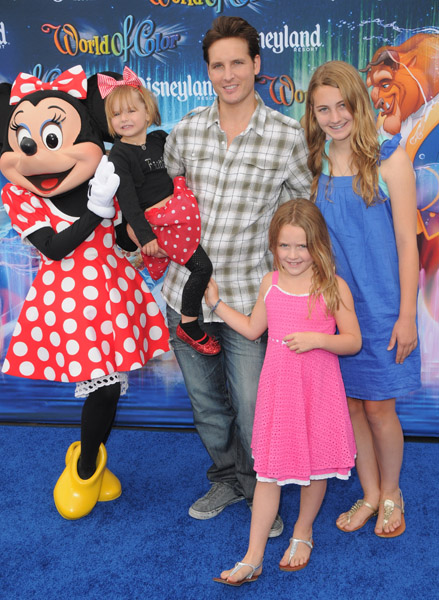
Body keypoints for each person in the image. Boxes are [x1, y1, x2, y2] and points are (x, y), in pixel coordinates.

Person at [162, 16, 312, 533]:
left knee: (252, 407)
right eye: (217, 65)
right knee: (206, 404)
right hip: (186, 297)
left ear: (256, 65)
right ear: (208, 71)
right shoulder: (183, 132)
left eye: (237, 63)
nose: (228, 74)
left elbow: (301, 215)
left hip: (251, 301)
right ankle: (225, 477)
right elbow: (165, 208)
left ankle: (258, 490)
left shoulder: (287, 137)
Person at [0, 66, 169, 520]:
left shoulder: (109, 171)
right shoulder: (23, 197)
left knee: (110, 386)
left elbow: (123, 239)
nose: (39, 157)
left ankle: (88, 460)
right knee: (104, 386)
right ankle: (87, 464)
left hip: (113, 288)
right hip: (69, 297)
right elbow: (53, 249)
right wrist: (96, 209)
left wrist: (152, 224)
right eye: (27, 144)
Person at [207, 198, 361, 585]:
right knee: (268, 474)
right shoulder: (270, 284)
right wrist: (217, 304)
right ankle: (252, 556)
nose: (293, 255)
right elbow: (253, 328)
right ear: (273, 245)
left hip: (318, 392)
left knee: (316, 467)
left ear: (318, 245)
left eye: (302, 246)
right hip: (279, 393)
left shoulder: (332, 287)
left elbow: (354, 341)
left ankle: (302, 533)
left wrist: (318, 339)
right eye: (285, 245)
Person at [305, 60, 421, 538]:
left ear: (359, 103)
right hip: (337, 312)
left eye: (342, 106)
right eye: (322, 109)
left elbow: (407, 243)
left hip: (384, 308)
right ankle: (370, 493)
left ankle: (392, 492)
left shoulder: (391, 159)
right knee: (351, 406)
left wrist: (408, 316)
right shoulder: (314, 164)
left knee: (379, 408)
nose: (334, 117)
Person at [97, 67, 219, 355]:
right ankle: (188, 324)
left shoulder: (160, 140)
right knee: (202, 267)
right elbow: (127, 201)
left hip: (179, 217)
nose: (124, 118)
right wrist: (146, 237)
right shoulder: (119, 155)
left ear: (148, 112)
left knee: (203, 265)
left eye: (131, 110)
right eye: (116, 114)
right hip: (158, 226)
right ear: (110, 122)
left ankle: (189, 320)